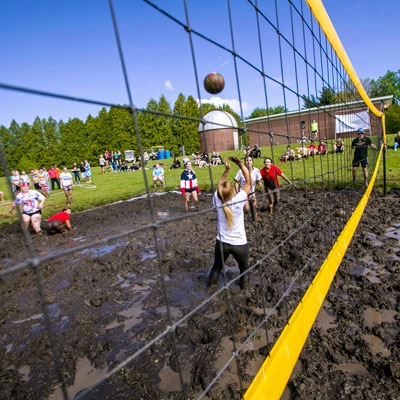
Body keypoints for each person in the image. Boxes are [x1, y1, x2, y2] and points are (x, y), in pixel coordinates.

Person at [208, 156, 251, 290]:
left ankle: (210, 289)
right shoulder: (239, 199)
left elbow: (220, 185)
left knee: (217, 267)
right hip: (239, 243)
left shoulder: (217, 199)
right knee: (244, 269)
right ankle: (244, 291)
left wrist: (226, 171)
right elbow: (249, 182)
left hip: (222, 243)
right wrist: (240, 164)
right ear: (233, 191)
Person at [234, 155, 262, 220]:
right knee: (246, 209)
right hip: (243, 192)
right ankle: (242, 220)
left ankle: (255, 221)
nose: (248, 162)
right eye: (247, 160)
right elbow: (236, 182)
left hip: (252, 192)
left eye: (250, 160)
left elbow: (258, 181)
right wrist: (237, 191)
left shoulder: (256, 170)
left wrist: (260, 186)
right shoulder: (240, 171)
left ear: (252, 162)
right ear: (244, 162)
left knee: (254, 208)